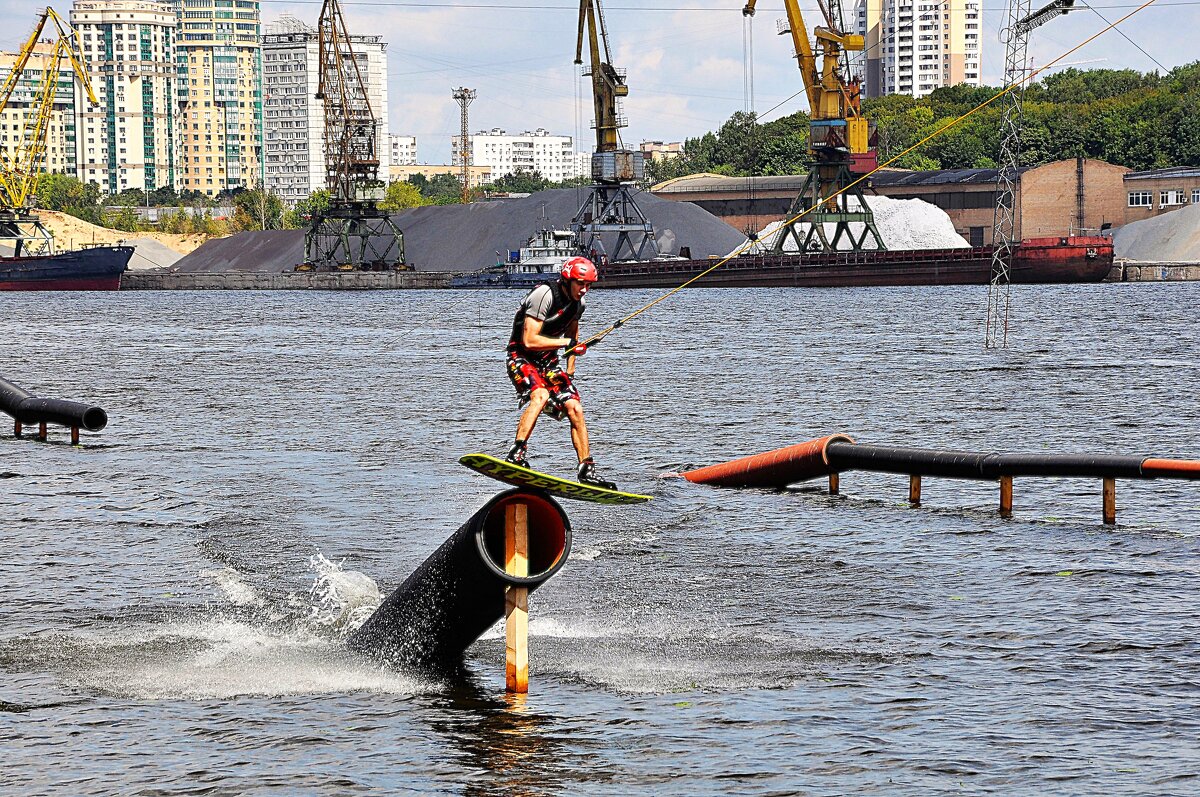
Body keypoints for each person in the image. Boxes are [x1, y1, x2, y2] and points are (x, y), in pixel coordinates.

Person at [504, 256, 616, 489]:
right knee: (540, 395)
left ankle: (586, 469)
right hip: (521, 357)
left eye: (588, 285)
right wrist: (566, 343)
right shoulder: (544, 295)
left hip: (548, 363)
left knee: (575, 407)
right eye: (580, 284)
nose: (584, 290)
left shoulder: (578, 304)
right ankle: (516, 453)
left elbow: (572, 337)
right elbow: (530, 340)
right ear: (567, 280)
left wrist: (570, 369)